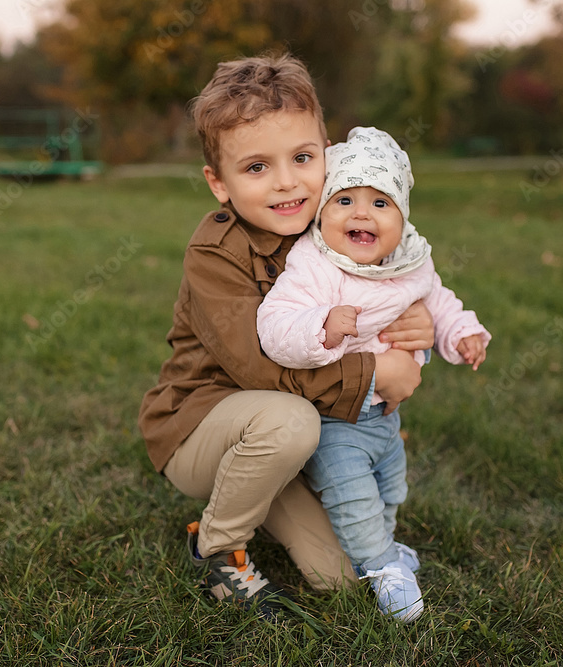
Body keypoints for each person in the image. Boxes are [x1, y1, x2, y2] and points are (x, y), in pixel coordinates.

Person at [137, 54, 434, 618]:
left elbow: (386, 293)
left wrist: (418, 324)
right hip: (201, 424)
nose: (286, 182)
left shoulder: (335, 228)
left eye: (303, 157)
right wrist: (373, 374)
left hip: (281, 435)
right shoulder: (214, 254)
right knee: (289, 421)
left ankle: (260, 493)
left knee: (338, 576)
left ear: (329, 154)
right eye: (256, 168)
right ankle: (218, 549)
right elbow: (261, 371)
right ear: (218, 184)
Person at [256, 126, 491, 622]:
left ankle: (384, 546)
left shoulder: (408, 265)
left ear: (402, 218)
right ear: (323, 212)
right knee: (352, 493)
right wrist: (321, 324)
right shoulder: (315, 265)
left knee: (390, 488)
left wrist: (461, 332)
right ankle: (382, 565)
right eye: (345, 200)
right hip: (337, 418)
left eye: (380, 203)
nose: (361, 213)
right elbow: (275, 325)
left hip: (385, 419)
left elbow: (439, 302)